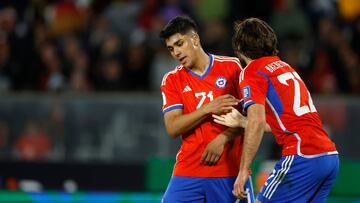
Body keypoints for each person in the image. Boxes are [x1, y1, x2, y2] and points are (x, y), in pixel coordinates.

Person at [214, 17, 339, 202]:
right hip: (329, 156)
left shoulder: (252, 71)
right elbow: (288, 122)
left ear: (238, 47)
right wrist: (243, 122)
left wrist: (243, 170)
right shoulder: (285, 67)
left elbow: (256, 122)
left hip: (302, 154)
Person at [159, 15, 255, 202]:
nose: (176, 52)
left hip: (229, 170)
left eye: (180, 44)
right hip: (188, 171)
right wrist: (207, 109)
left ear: (195, 39)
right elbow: (172, 127)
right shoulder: (172, 80)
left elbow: (251, 118)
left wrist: (222, 139)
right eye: (171, 49)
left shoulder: (232, 67)